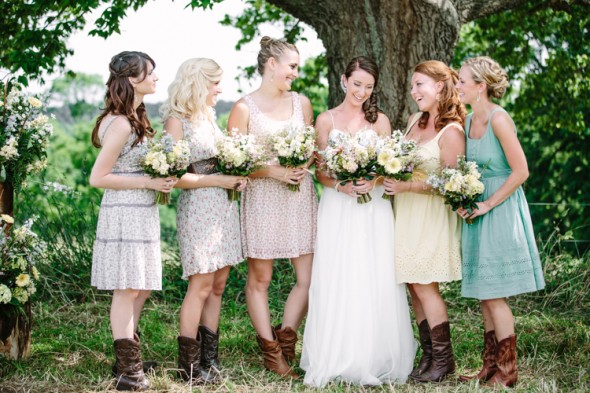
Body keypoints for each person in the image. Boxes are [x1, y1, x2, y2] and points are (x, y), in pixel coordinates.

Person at [300, 56, 417, 387]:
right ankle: (335, 355)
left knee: (373, 274)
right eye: (357, 84)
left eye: (368, 87)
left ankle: (374, 355)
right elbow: (320, 171)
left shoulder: (380, 121)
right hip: (338, 207)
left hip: (373, 209)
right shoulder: (325, 120)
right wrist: (342, 184)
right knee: (339, 274)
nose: (362, 92)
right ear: (343, 80)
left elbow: (388, 165)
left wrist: (374, 181)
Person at [227, 36, 318, 377]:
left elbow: (311, 147)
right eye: (292, 66)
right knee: (260, 279)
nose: (295, 73)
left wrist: (301, 165)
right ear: (271, 65)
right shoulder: (243, 108)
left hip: (299, 196)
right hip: (262, 197)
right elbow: (234, 163)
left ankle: (287, 336)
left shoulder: (302, 103)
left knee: (307, 278)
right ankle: (270, 352)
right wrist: (273, 170)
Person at [455, 56, 545, 388]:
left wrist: (488, 203)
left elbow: (521, 171)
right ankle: (489, 367)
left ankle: (508, 373)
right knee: (483, 291)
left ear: (481, 87)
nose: (457, 86)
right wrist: (463, 200)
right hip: (477, 212)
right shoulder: (466, 121)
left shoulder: (499, 120)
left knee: (495, 293)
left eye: (463, 81)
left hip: (501, 209)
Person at [90, 51, 177, 391]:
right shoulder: (122, 123)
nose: (156, 78)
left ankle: (129, 356)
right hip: (124, 211)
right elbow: (99, 177)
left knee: (139, 286)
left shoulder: (135, 116)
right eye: (150, 73)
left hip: (141, 211)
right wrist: (149, 182)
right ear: (131, 79)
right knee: (126, 289)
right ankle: (128, 373)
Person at [161, 58, 247, 384]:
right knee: (200, 286)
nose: (220, 89)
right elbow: (176, 177)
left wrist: (235, 175)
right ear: (198, 83)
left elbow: (216, 162)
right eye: (215, 84)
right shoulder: (176, 121)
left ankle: (210, 360)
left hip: (223, 208)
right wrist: (220, 181)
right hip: (198, 208)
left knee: (218, 285)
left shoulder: (209, 118)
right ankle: (190, 367)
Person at [383, 60, 466, 383]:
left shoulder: (452, 131)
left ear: (440, 87)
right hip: (405, 213)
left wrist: (408, 185)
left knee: (425, 286)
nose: (413, 91)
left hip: (430, 216)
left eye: (420, 84)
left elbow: (450, 182)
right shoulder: (415, 119)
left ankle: (444, 359)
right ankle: (429, 356)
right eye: (413, 84)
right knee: (413, 286)